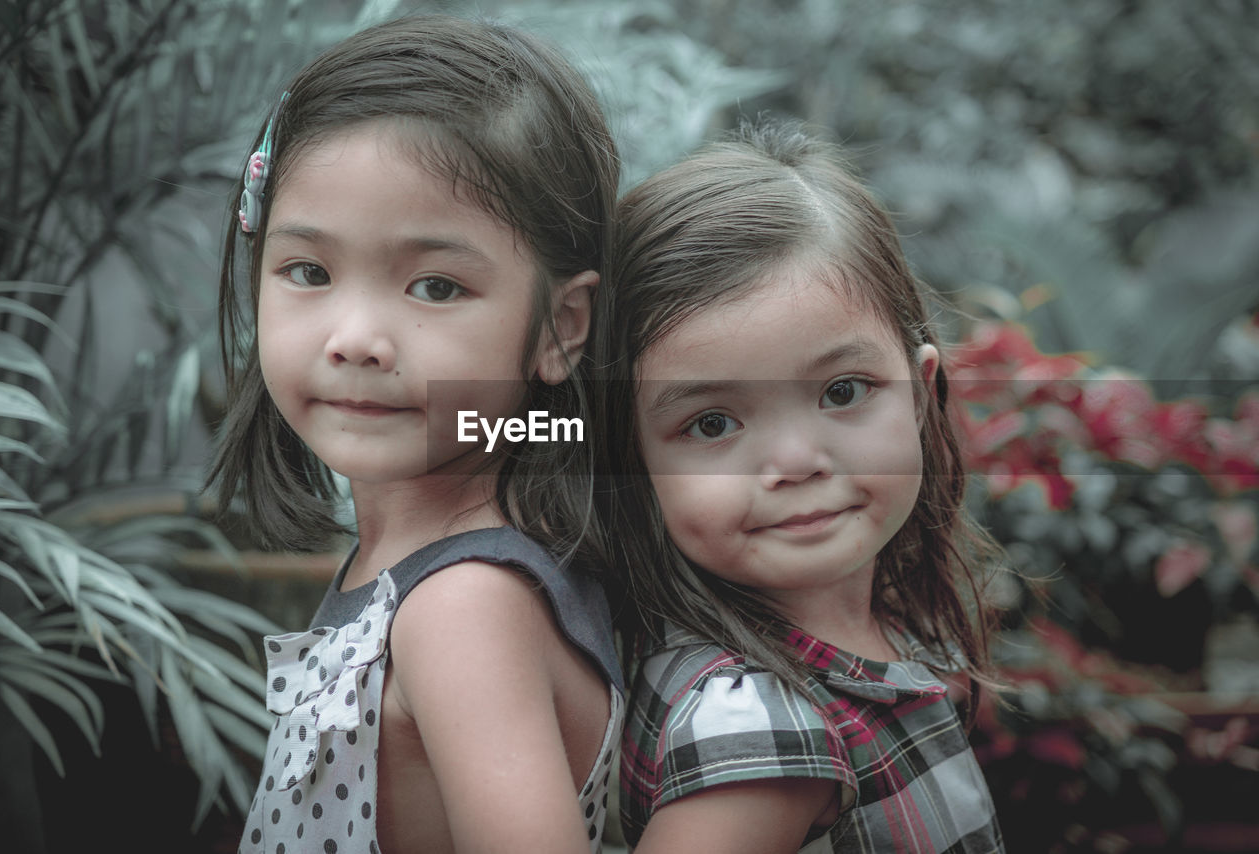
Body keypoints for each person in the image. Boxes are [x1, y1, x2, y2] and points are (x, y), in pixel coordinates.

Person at [209, 15, 623, 854]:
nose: (356, 336)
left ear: (561, 327)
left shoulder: (463, 610)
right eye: (309, 272)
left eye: (435, 286)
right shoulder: (412, 566)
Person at [593, 121, 1005, 853]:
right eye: (713, 423)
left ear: (920, 390)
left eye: (844, 391)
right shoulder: (758, 740)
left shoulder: (873, 626)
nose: (796, 461)